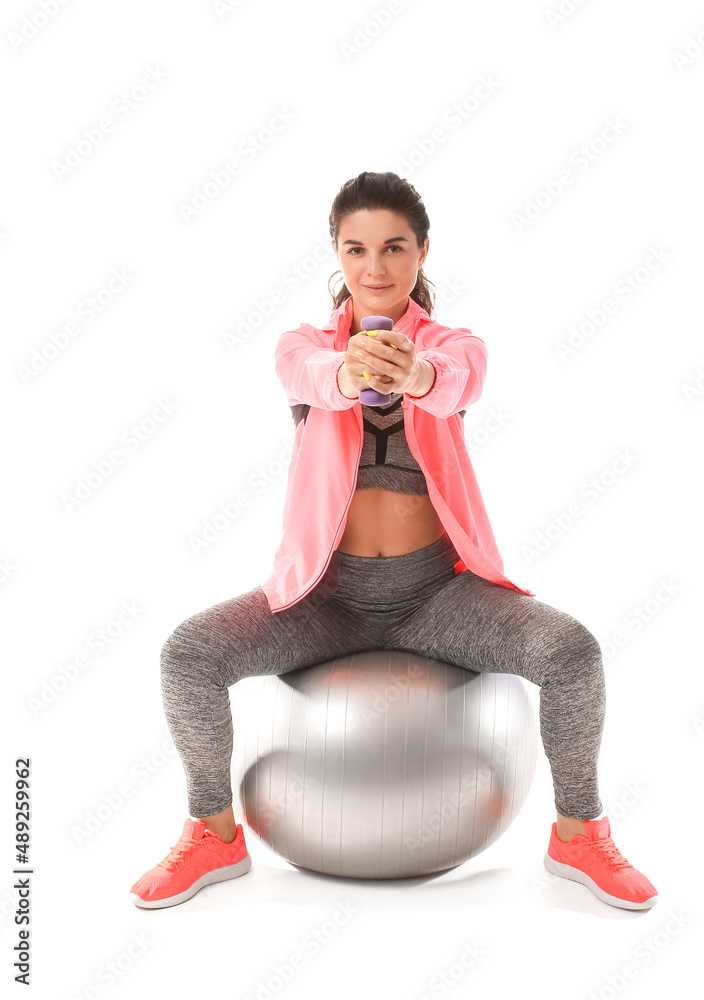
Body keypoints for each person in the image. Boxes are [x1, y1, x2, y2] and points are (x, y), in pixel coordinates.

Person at [129, 171, 658, 911]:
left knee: (572, 653)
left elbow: (457, 379)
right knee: (190, 653)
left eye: (394, 248)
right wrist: (346, 372)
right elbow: (306, 373)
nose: (374, 268)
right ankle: (214, 832)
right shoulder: (305, 346)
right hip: (328, 596)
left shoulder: (453, 344)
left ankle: (580, 834)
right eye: (356, 249)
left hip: (436, 595)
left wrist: (417, 372)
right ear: (337, 255)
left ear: (422, 251)